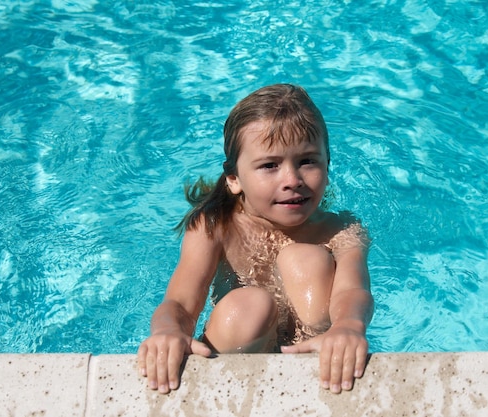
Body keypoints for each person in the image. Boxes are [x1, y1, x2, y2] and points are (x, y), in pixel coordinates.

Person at [137, 83, 373, 395]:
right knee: (250, 304)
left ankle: (317, 374)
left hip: (311, 349)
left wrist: (347, 327)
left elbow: (352, 291)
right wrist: (169, 332)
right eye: (269, 165)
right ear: (234, 178)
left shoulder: (341, 229)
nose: (292, 180)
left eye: (307, 161)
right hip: (237, 348)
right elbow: (181, 301)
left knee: (307, 259)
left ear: (327, 165)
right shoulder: (216, 226)